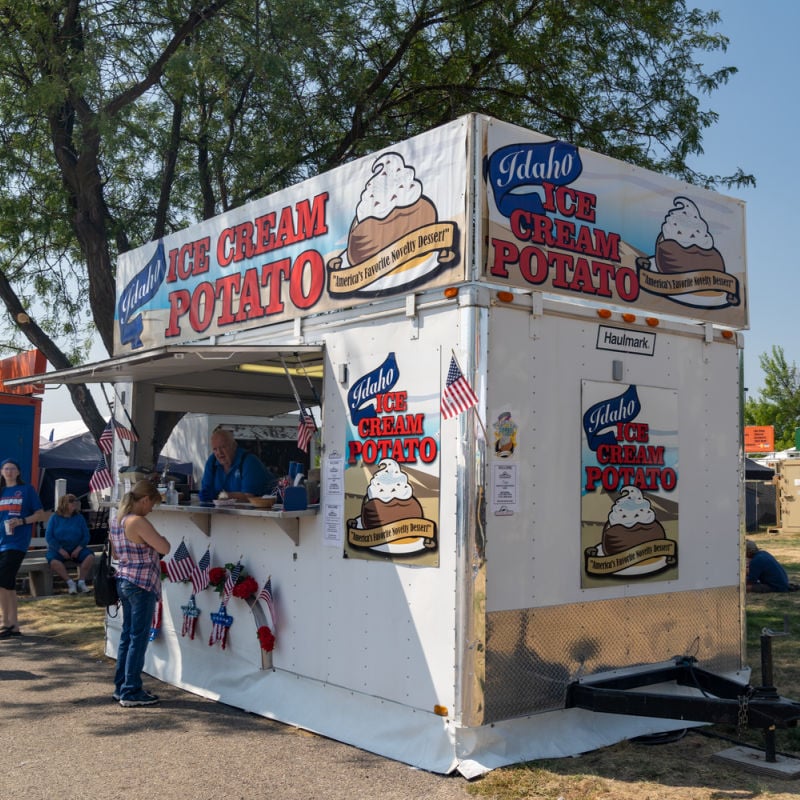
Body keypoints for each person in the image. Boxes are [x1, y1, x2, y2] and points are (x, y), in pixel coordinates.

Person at [111, 480, 171, 706]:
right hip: (142, 583)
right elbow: (164, 547)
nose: (152, 509)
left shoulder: (116, 520)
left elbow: (116, 554)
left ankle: (121, 686)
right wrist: (163, 540)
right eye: (152, 504)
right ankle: (131, 690)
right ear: (144, 500)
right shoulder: (139, 521)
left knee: (127, 636)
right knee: (138, 638)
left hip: (124, 578)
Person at [0, 458, 46, 639]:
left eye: (12, 468)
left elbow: (40, 514)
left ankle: (5, 623)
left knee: (2, 581)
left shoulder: (27, 490)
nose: (9, 471)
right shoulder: (2, 491)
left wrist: (22, 521)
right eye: (5, 468)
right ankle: (14, 625)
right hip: (1, 542)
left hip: (16, 543)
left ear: (18, 472)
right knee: (8, 584)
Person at [199, 427, 278, 501]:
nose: (219, 453)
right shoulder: (212, 462)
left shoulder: (249, 461)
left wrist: (220, 495)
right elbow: (206, 491)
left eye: (223, 447)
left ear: (234, 446)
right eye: (215, 449)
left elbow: (249, 497)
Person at [45, 494, 95, 594]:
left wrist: (78, 549)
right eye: (71, 501)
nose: (74, 503)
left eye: (75, 501)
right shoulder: (55, 518)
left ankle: (81, 582)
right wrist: (60, 550)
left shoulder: (79, 518)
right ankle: (70, 583)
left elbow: (86, 536)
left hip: (77, 548)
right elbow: (49, 537)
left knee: (90, 557)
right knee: (53, 561)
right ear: (64, 504)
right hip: (58, 549)